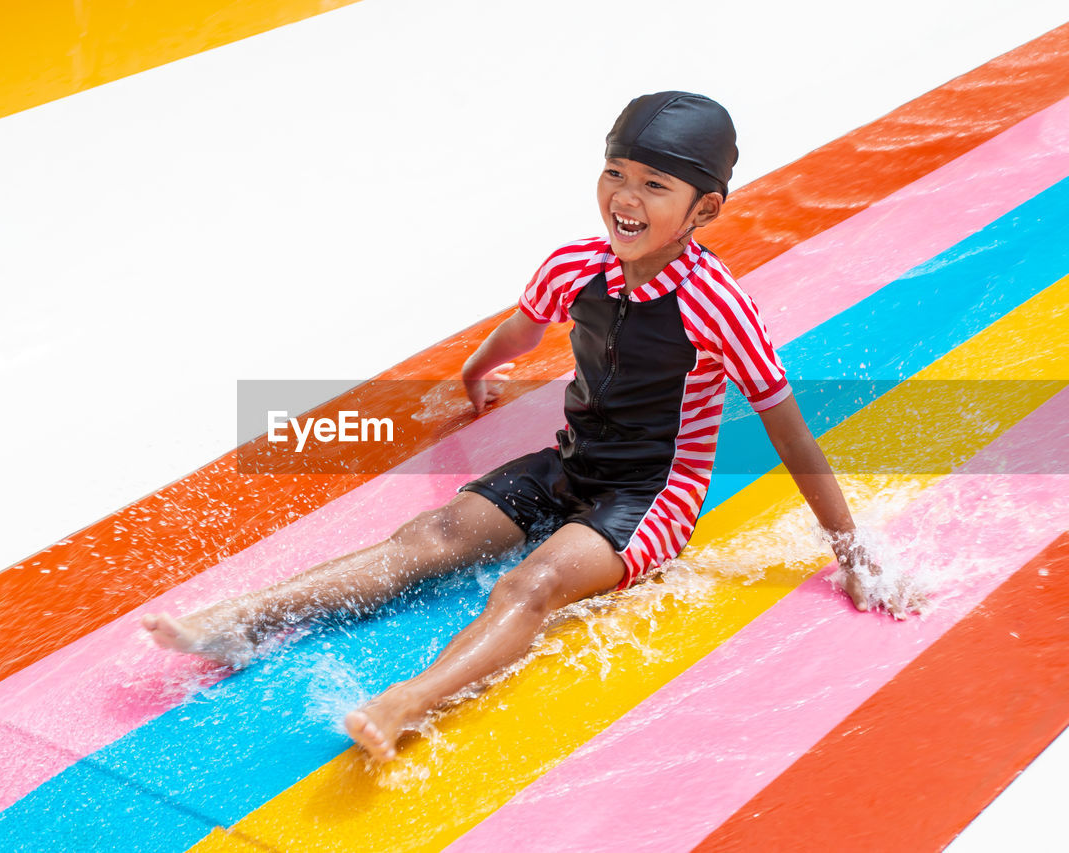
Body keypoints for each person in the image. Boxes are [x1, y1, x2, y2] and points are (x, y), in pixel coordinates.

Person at [142, 91, 906, 764]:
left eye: (654, 185)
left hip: (650, 497)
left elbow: (791, 434)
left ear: (704, 209)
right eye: (615, 173)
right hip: (569, 463)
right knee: (429, 537)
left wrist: (852, 551)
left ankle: (408, 701)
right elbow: (521, 330)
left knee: (530, 583)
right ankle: (242, 622)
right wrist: (477, 372)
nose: (625, 198)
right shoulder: (577, 263)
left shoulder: (719, 305)